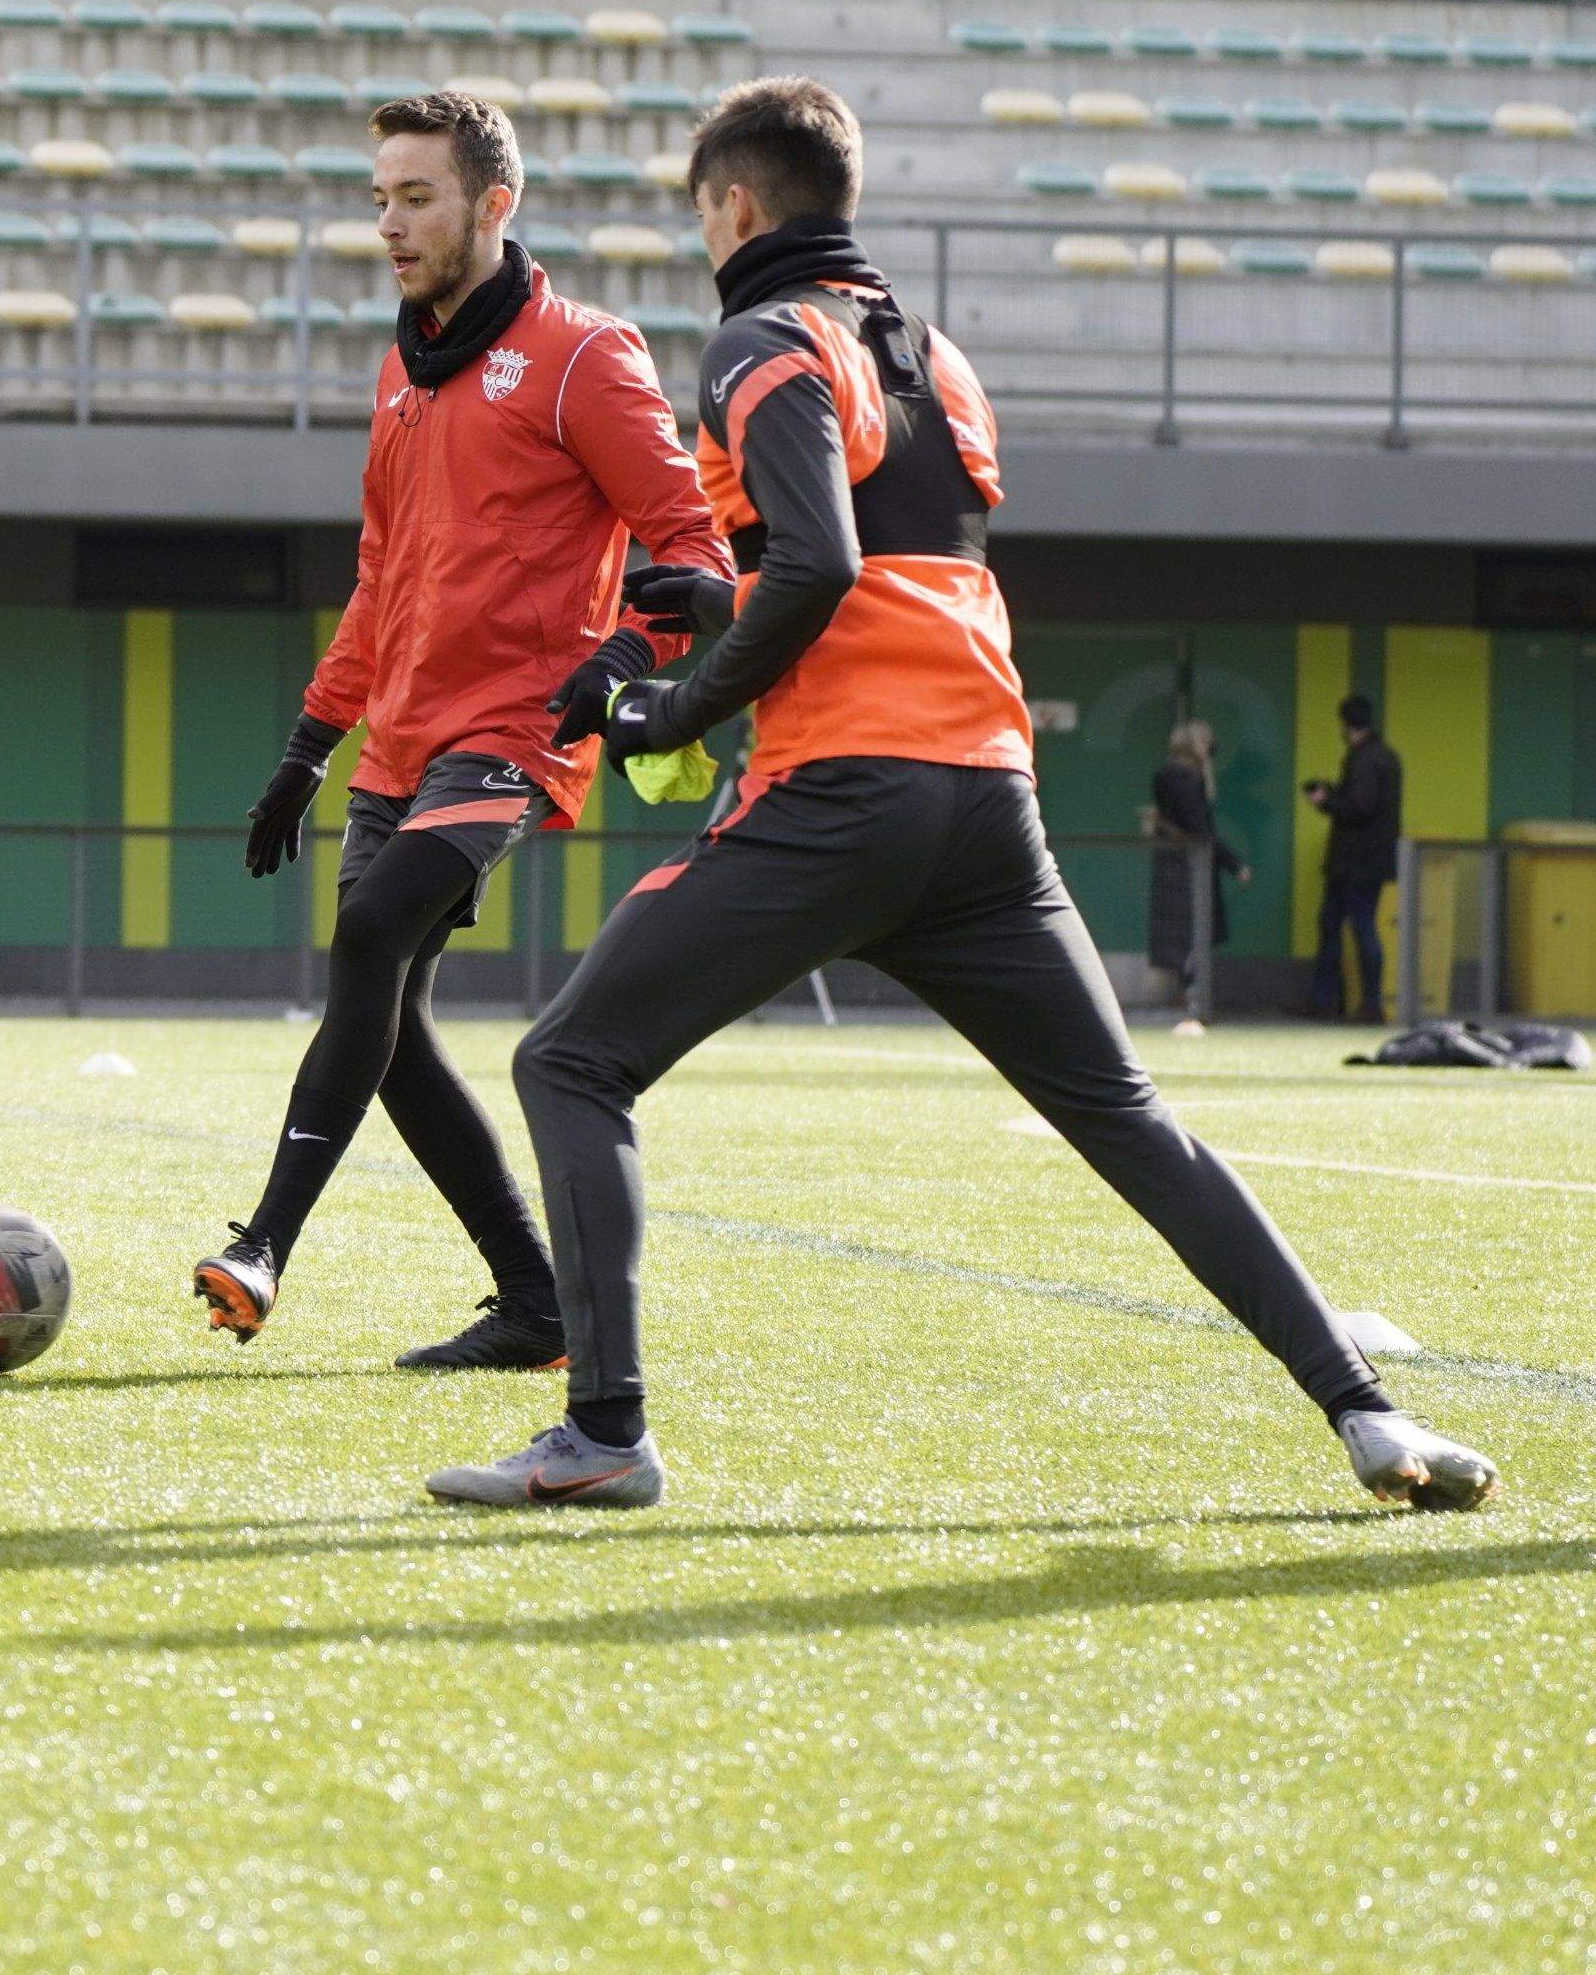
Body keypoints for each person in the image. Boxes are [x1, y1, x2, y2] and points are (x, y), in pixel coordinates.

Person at [437, 77, 1491, 1516]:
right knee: (1133, 1120)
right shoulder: (939, 354)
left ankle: (604, 1432)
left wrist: (666, 710)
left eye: (700, 211)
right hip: (989, 804)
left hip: (845, 798)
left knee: (569, 1062)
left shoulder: (759, 336)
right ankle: (1367, 1414)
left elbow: (816, 565)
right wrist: (655, 632)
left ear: (734, 206)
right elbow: (873, 559)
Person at [197, 92, 729, 1370]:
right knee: (390, 1031)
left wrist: (619, 656)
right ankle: (537, 1305)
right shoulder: (399, 366)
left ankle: (262, 1242)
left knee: (368, 936)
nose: (387, 222)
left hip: (517, 731)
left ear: (496, 204)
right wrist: (306, 745)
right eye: (377, 196)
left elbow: (695, 552)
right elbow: (383, 578)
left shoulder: (587, 355)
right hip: (397, 742)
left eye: (414, 196)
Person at [1303, 695, 1401, 1024]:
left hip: (1353, 862)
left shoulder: (1364, 760)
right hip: (1369, 861)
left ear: (1345, 724)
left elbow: (1358, 807)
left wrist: (1325, 800)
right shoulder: (1385, 757)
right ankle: (1350, 1001)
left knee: (1348, 927)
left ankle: (1349, 1002)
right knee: (1353, 926)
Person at [1141, 718, 1241, 1018]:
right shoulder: (1186, 779)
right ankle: (1193, 998)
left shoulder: (1168, 775)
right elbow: (1198, 826)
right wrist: (1231, 861)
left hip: (1175, 859)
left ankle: (1188, 993)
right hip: (1188, 862)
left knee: (1181, 927)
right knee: (1193, 927)